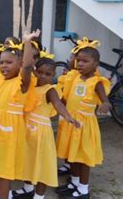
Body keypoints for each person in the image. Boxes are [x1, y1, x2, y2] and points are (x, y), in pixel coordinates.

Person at [0, 23, 40, 199]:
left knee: (3, 168)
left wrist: (27, 42)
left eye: (9, 63)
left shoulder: (21, 82)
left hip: (9, 131)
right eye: (2, 62)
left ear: (19, 64)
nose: (4, 66)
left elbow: (28, 66)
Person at [12, 57, 79, 199]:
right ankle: (28, 188)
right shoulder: (30, 86)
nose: (43, 76)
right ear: (34, 71)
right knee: (27, 161)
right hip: (27, 130)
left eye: (47, 74)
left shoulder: (50, 90)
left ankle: (39, 196)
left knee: (41, 165)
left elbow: (58, 104)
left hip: (41, 133)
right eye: (40, 72)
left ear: (53, 75)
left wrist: (67, 116)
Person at [55, 39, 111, 199]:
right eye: (78, 60)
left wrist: (105, 105)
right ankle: (74, 182)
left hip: (84, 125)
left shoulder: (97, 82)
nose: (80, 64)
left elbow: (105, 100)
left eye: (85, 61)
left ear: (96, 64)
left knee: (83, 158)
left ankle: (83, 190)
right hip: (71, 122)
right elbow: (66, 98)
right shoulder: (75, 78)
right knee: (71, 155)